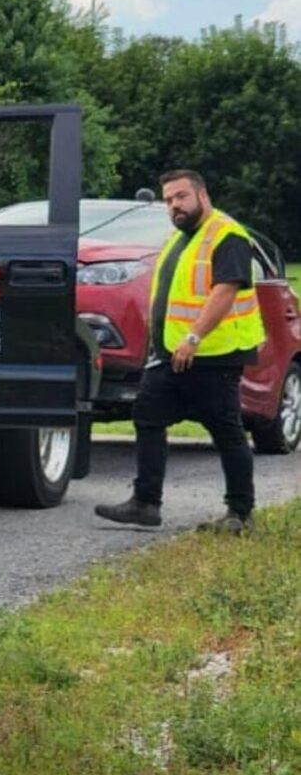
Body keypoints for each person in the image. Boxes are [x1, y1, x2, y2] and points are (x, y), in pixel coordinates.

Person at [95, 169, 265, 534]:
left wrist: (194, 338)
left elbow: (225, 290)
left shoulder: (227, 234)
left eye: (181, 197)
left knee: (226, 431)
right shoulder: (182, 239)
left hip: (214, 353)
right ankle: (145, 503)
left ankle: (240, 513)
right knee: (147, 416)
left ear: (202, 195)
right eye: (169, 200)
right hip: (174, 354)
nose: (174, 205)